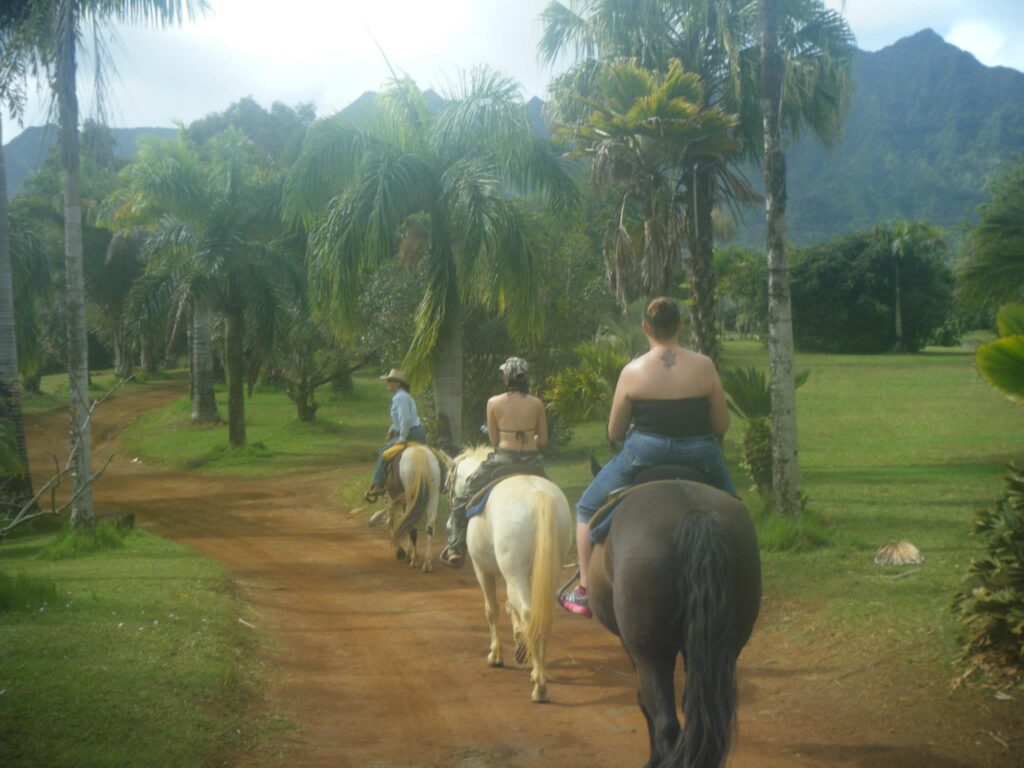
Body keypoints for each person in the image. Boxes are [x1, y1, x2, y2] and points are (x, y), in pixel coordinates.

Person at [559, 297, 737, 618]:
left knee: (586, 508)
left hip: (645, 451)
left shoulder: (633, 370)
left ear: (646, 328)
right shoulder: (704, 365)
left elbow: (615, 432)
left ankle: (584, 589)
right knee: (736, 510)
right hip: (700, 452)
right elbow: (722, 424)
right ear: (680, 325)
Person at [440, 357, 548, 568]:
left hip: (502, 460)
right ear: (525, 377)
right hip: (533, 462)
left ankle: (454, 543)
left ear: (506, 378)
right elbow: (542, 440)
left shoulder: (494, 403)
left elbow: (494, 441)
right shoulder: (537, 404)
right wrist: (530, 439)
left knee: (463, 496)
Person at [364, 368, 427, 503]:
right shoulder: (403, 396)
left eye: (391, 381)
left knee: (384, 452)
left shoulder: (400, 397)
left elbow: (405, 419)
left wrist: (402, 438)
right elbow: (400, 420)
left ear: (398, 383)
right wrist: (392, 429)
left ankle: (379, 484)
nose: (388, 382)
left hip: (410, 432)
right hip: (416, 431)